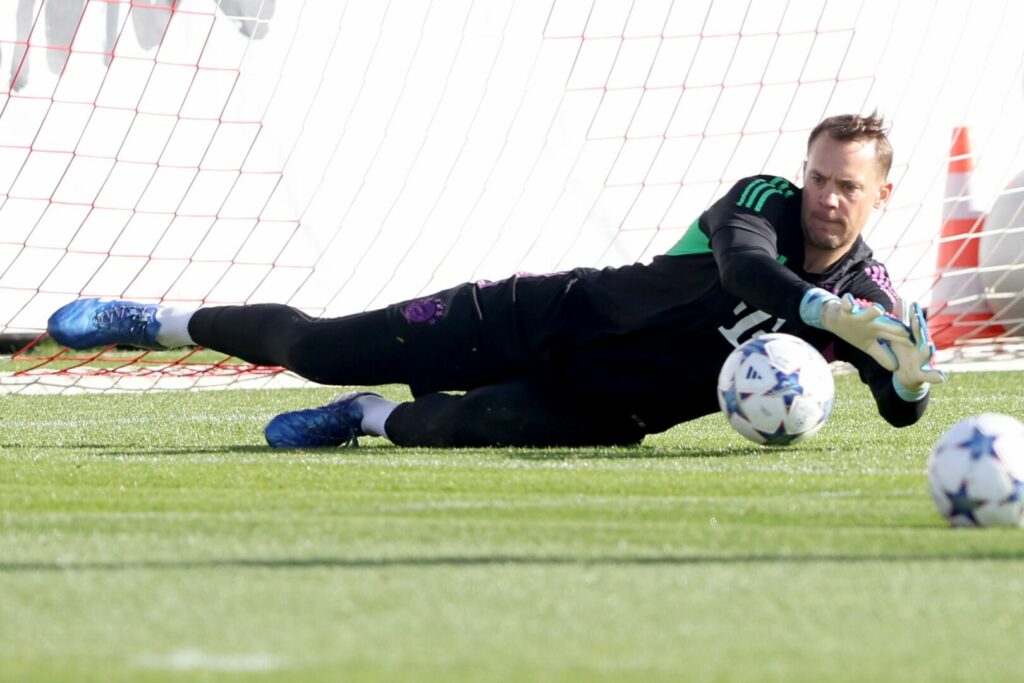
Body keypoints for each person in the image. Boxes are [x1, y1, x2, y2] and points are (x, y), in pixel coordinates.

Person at [47, 112, 946, 449]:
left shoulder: (873, 297)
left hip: (608, 410)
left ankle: (364, 416)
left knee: (458, 424)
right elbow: (747, 268)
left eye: (847, 186)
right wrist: (825, 312)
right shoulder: (762, 201)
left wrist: (906, 382)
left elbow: (900, 405)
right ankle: (158, 320)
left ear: (881, 196)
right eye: (819, 177)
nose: (827, 197)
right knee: (319, 346)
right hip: (539, 315)